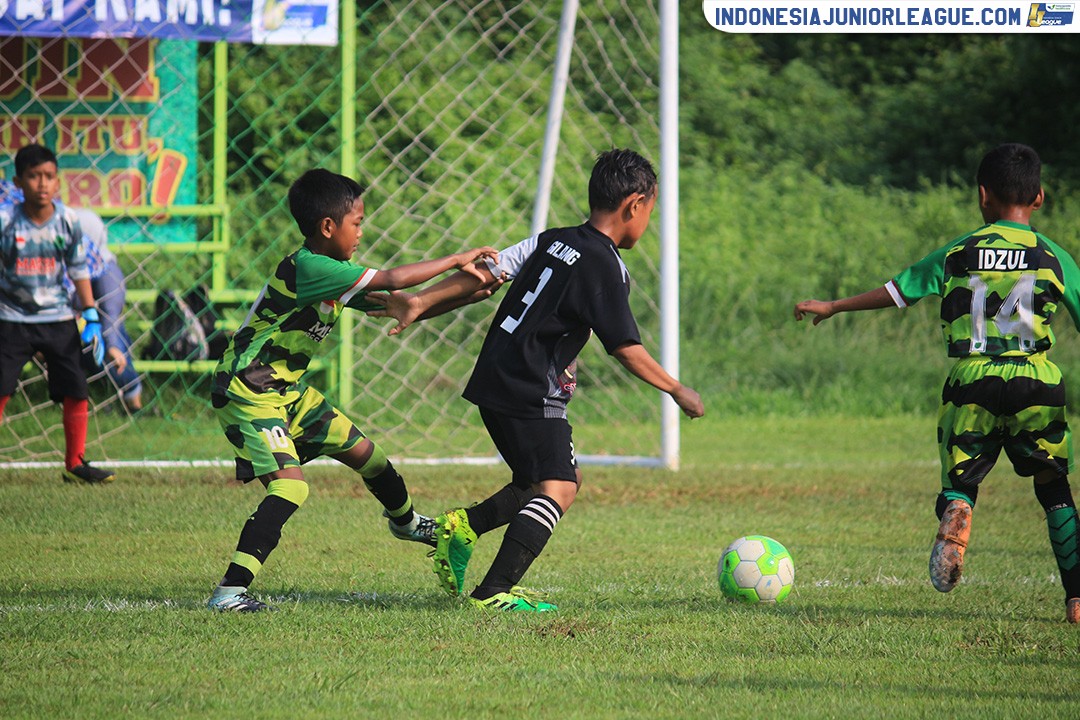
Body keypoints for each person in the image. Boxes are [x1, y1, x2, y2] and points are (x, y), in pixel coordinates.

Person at [369, 149, 705, 612]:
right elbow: (625, 346)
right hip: (529, 387)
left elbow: (485, 276)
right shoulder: (605, 265)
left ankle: (460, 528)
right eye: (651, 210)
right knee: (558, 487)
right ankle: (493, 594)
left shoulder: (552, 240)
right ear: (634, 205)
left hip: (496, 377)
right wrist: (676, 389)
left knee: (543, 479)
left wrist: (422, 303)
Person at [794, 143, 1080, 624]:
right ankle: (1076, 599)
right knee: (1054, 489)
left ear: (982, 196)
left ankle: (958, 512)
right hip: (1036, 381)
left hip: (971, 380)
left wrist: (833, 306)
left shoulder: (958, 252)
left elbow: (897, 291)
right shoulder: (1053, 256)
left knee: (960, 480)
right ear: (1039, 198)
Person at [206, 167, 499, 612]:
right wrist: (458, 259)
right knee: (290, 489)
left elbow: (406, 304)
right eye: (357, 223)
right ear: (328, 227)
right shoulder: (310, 267)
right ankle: (229, 593)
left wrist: (474, 290)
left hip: (287, 391)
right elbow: (396, 280)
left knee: (370, 458)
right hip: (249, 389)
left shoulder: (334, 274)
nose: (362, 232)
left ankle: (405, 524)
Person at [0, 144, 115, 484]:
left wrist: (91, 315)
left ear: (58, 181)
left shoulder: (67, 221)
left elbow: (79, 269)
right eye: (34, 177)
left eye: (49, 176)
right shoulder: (6, 221)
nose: (43, 184)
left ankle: (75, 464)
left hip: (58, 319)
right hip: (12, 319)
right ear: (19, 182)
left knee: (76, 389)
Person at [68, 208, 145, 413]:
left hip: (97, 327)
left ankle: (133, 403)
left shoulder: (105, 267)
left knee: (115, 338)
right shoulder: (58, 257)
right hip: (66, 324)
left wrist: (110, 344)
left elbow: (111, 310)